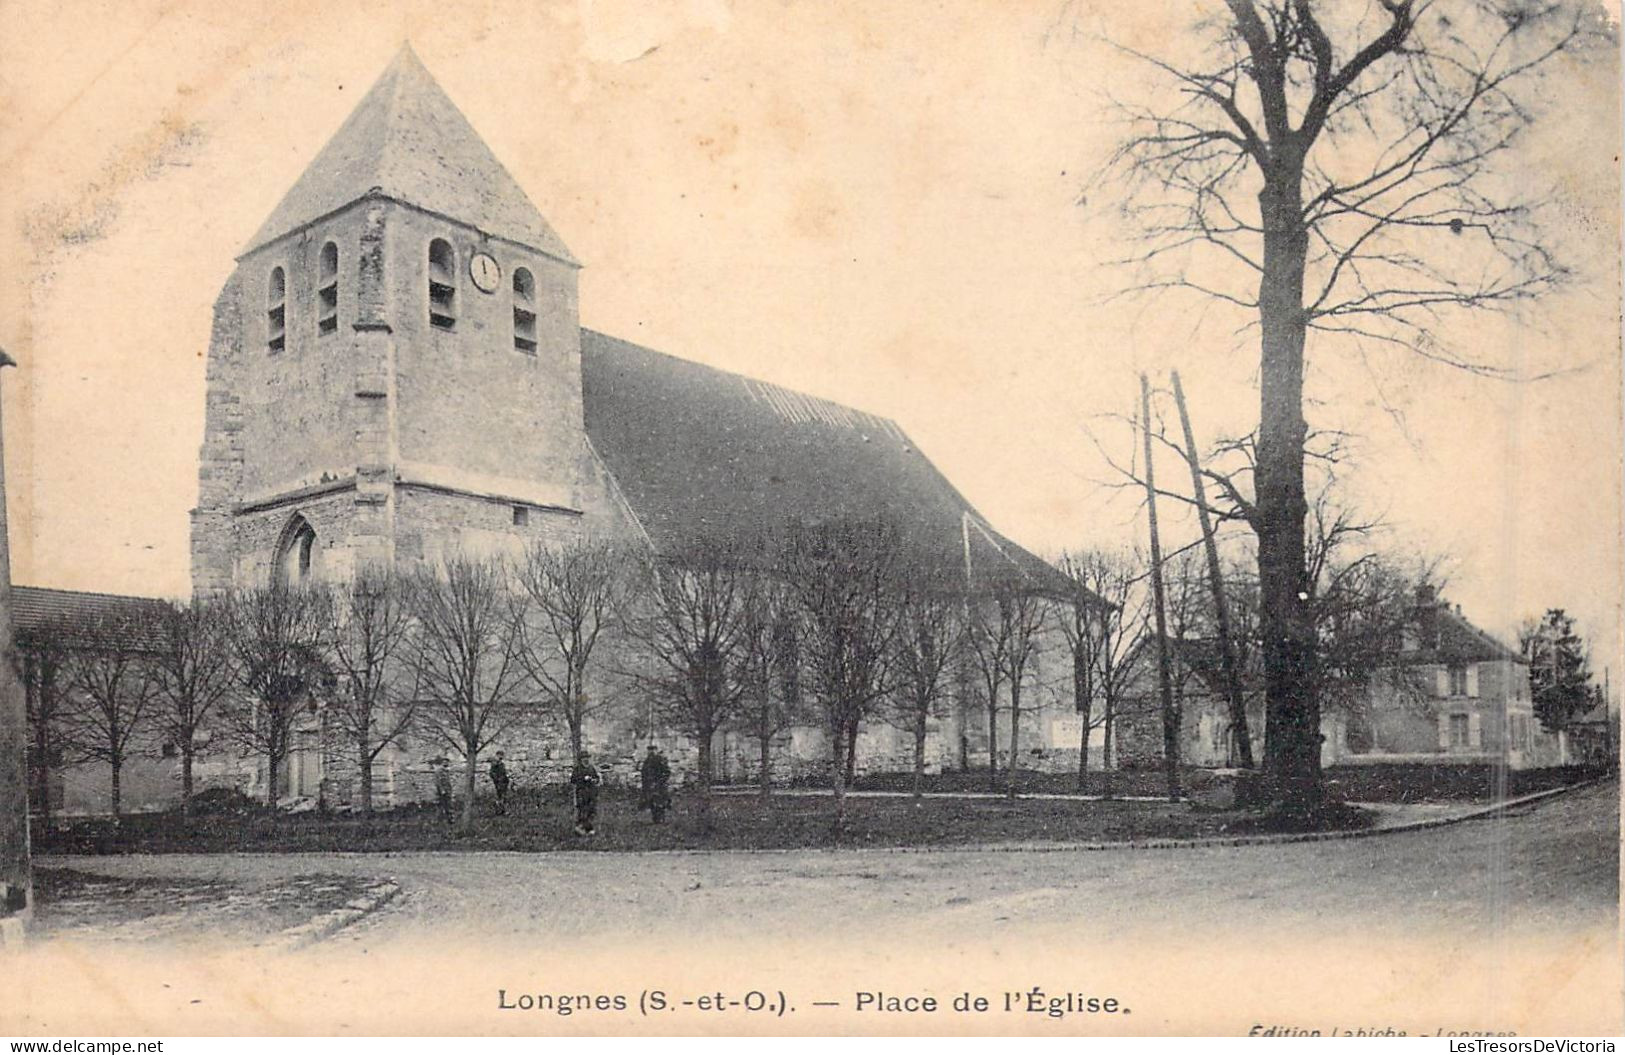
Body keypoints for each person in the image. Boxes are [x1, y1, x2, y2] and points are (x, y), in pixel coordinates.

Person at [569, 750, 602, 836]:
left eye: (587, 758)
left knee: (591, 810)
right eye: (584, 758)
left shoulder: (591, 768)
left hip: (591, 793)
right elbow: (573, 780)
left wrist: (595, 780)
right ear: (580, 760)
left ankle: (588, 828)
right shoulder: (577, 769)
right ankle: (580, 828)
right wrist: (583, 779)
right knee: (582, 811)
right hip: (581, 793)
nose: (586, 760)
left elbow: (596, 778)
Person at [639, 744, 672, 823]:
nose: (651, 751)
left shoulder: (660, 759)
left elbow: (666, 772)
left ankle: (661, 818)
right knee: (651, 802)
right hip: (649, 786)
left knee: (660, 802)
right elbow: (644, 773)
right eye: (649, 750)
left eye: (653, 749)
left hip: (659, 785)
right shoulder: (647, 761)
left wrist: (660, 782)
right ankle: (655, 818)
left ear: (656, 750)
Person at [430, 757, 454, 826]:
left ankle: (450, 820)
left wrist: (449, 791)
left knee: (449, 806)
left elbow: (448, 782)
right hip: (441, 793)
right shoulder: (439, 771)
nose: (446, 763)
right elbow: (438, 782)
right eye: (444, 761)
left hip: (447, 791)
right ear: (442, 762)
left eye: (447, 761)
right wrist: (442, 790)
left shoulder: (446, 771)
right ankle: (436, 821)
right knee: (440, 806)